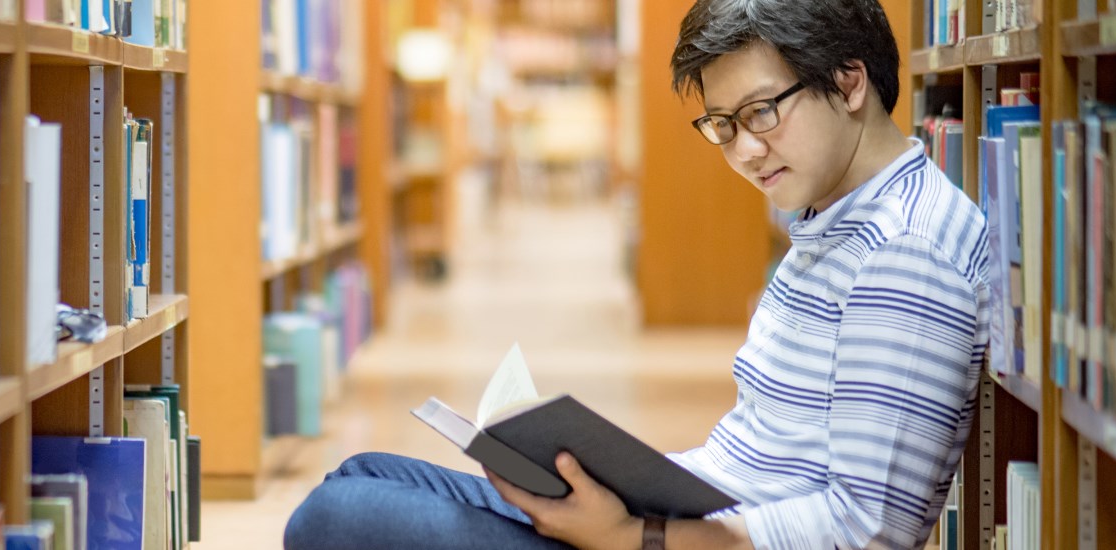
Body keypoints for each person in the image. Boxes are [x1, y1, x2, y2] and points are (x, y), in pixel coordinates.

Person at [282, 0, 994, 548]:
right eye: (722, 125)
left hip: (681, 542)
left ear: (848, 83)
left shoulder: (905, 256)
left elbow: (867, 530)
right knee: (364, 475)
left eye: (761, 113)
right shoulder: (835, 218)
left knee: (338, 518)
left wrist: (632, 536)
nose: (745, 151)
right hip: (689, 518)